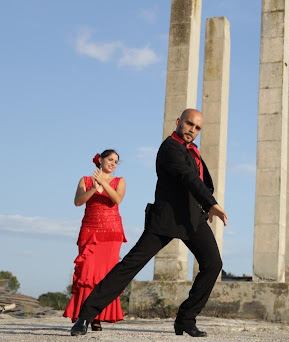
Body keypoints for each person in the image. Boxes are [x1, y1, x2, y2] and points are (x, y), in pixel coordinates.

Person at [70, 109, 228, 337]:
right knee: (129, 266)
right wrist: (211, 203)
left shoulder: (192, 150)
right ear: (178, 122)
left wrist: (205, 206)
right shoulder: (170, 148)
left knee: (213, 264)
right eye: (189, 124)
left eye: (197, 127)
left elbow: (201, 180)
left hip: (193, 220)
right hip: (166, 219)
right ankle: (85, 316)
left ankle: (186, 319)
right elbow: (187, 177)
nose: (192, 130)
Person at [63, 149, 127, 331]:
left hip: (111, 233)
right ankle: (83, 316)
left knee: (105, 276)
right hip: (90, 231)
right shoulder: (85, 180)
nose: (113, 163)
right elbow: (77, 202)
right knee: (86, 275)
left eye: (116, 161)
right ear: (100, 160)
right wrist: (93, 188)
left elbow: (117, 199)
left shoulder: (119, 181)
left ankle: (97, 317)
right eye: (110, 159)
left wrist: (103, 184)